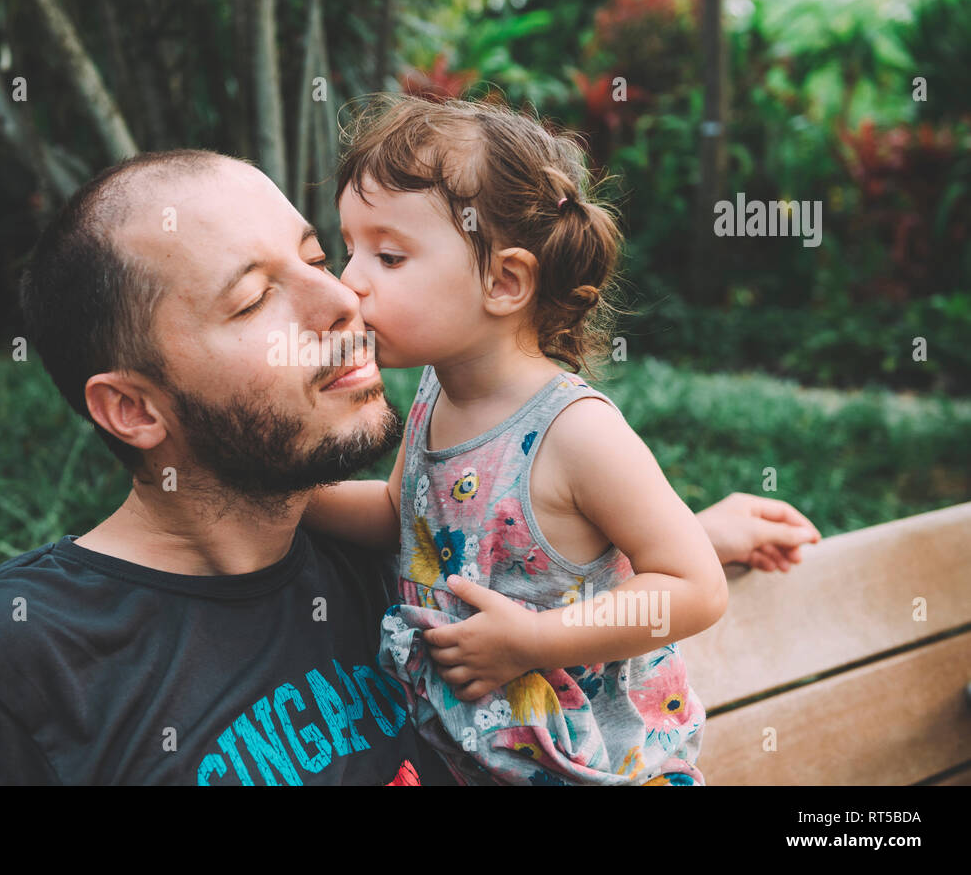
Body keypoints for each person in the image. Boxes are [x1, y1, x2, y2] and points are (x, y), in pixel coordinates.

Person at [0, 147, 819, 785]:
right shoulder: (13, 666)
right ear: (133, 408)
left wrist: (689, 535)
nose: (342, 302)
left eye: (319, 256)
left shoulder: (383, 568)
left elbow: (503, 524)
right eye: (256, 297)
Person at [302, 95, 818, 785]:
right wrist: (284, 494)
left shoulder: (576, 431)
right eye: (350, 248)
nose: (349, 281)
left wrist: (533, 641)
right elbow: (402, 514)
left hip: (610, 769)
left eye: (389, 256)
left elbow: (693, 587)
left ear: (505, 280)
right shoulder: (434, 394)